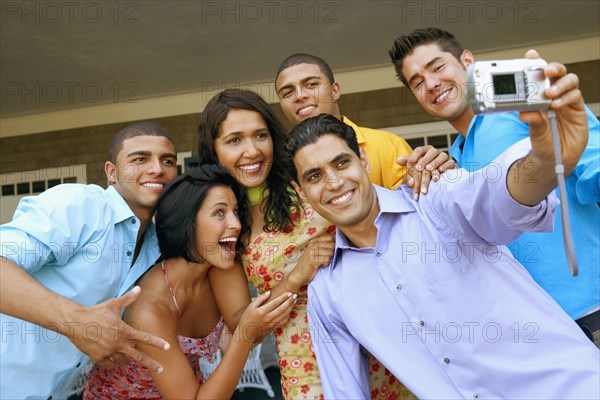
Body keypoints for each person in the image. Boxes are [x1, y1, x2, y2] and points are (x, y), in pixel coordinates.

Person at [285, 105, 599, 398]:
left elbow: (501, 198)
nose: (335, 181)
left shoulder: (435, 198)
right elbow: (345, 392)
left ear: (363, 161)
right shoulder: (328, 292)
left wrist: (543, 157)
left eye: (342, 163)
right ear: (301, 192)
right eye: (314, 176)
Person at [198, 88, 438, 399]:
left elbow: (388, 220)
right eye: (234, 140)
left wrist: (430, 169)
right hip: (308, 363)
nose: (252, 151)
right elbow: (243, 325)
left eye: (260, 135)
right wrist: (297, 276)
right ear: (213, 150)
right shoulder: (223, 223)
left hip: (382, 338)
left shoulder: (312, 180)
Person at [388, 28, 600, 345]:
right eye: (417, 82)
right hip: (532, 337)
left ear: (468, 61)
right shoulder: (451, 164)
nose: (431, 84)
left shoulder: (529, 111)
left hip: (590, 313)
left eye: (437, 67)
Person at [83, 164, 295, 399]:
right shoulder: (150, 307)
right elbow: (246, 332)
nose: (236, 224)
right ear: (187, 222)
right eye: (219, 213)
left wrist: (300, 273)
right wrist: (242, 337)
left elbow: (250, 325)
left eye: (235, 211)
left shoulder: (217, 267)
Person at [0, 121, 180, 399]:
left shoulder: (156, 247)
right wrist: (77, 323)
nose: (157, 168)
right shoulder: (81, 205)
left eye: (167, 160)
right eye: (140, 159)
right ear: (112, 172)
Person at [275, 53, 453, 198]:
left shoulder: (388, 145)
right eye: (287, 92)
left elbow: (414, 204)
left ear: (335, 90)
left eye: (311, 84)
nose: (299, 95)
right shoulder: (283, 169)